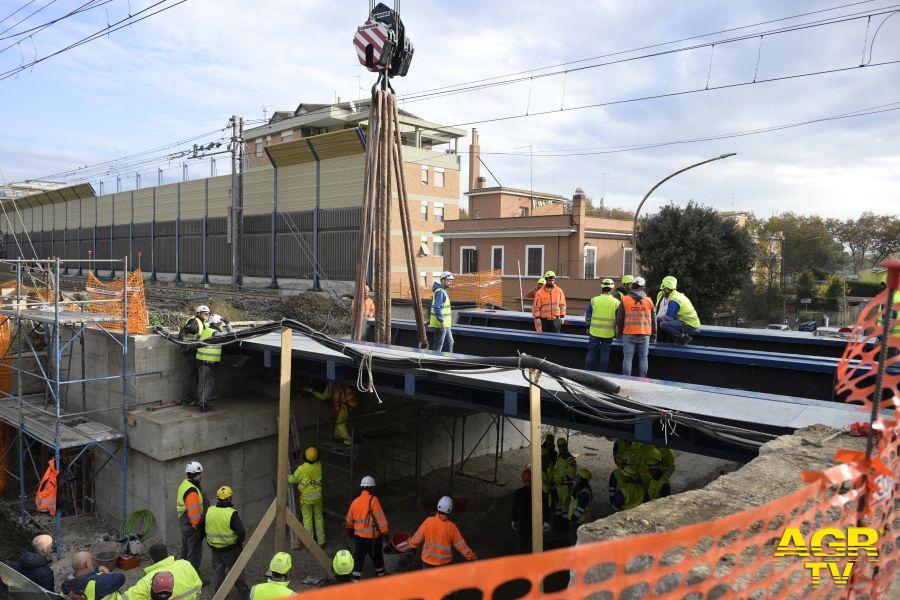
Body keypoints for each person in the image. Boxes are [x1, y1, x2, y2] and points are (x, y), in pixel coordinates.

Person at [204, 485, 247, 598]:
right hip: (230, 549)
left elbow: (202, 525)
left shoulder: (210, 510)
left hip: (214, 548)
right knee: (236, 571)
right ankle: (243, 593)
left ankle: (220, 594)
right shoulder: (231, 513)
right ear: (228, 499)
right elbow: (241, 532)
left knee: (219, 571)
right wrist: (238, 543)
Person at [409, 497, 476, 568]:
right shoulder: (451, 527)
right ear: (450, 509)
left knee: (427, 579)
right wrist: (471, 556)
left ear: (438, 506)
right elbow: (461, 545)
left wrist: (412, 546)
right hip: (444, 563)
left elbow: (418, 536)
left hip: (427, 561)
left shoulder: (428, 521)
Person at [344, 475, 389, 581]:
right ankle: (381, 578)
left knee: (358, 560)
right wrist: (385, 533)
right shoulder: (374, 500)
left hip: (359, 539)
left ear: (361, 487)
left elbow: (349, 521)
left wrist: (349, 530)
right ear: (372, 488)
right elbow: (381, 519)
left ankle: (355, 581)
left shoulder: (355, 502)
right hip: (373, 539)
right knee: (377, 558)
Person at [122, 543, 202, 600]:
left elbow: (126, 598)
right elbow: (198, 586)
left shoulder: (149, 580)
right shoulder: (185, 564)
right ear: (167, 554)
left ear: (151, 560)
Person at [616, 276, 656, 378]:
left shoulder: (625, 299)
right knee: (643, 359)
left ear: (633, 286)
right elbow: (653, 320)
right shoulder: (649, 301)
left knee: (628, 358)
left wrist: (619, 333)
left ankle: (626, 380)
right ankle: (642, 381)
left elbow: (620, 318)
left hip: (628, 334)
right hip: (644, 334)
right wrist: (654, 335)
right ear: (643, 287)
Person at [288, 446, 325, 547]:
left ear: (305, 456)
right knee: (319, 518)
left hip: (307, 499)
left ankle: (310, 543)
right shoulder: (319, 465)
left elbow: (293, 480)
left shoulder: (302, 468)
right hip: (318, 497)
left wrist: (288, 476)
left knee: (307, 520)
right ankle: (321, 541)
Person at [196, 313, 232, 412]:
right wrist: (228, 324)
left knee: (202, 384)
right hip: (207, 362)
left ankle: (201, 403)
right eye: (221, 324)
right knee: (209, 383)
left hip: (202, 360)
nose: (222, 326)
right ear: (216, 324)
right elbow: (231, 337)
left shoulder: (207, 330)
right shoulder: (215, 333)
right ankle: (203, 404)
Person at [176, 461, 207, 573]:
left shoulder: (185, 484)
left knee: (185, 549)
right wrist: (197, 528)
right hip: (191, 524)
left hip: (184, 522)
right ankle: (193, 579)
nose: (202, 475)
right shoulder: (192, 492)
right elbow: (193, 513)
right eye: (200, 473)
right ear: (195, 475)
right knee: (194, 553)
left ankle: (181, 573)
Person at [584, 279, 620, 372]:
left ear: (602, 287)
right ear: (612, 288)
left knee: (591, 353)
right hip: (608, 334)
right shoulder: (616, 302)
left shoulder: (594, 300)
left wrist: (588, 328)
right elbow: (619, 319)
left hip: (594, 332)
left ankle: (587, 372)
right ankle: (603, 374)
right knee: (605, 355)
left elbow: (588, 317)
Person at [511, 468, 549, 553]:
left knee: (523, 545)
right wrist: (546, 521)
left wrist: (514, 520)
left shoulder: (518, 492)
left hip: (522, 523)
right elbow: (545, 507)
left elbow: (515, 508)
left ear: (522, 479)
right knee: (536, 545)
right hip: (535, 522)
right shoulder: (539, 492)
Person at [61, 551, 126, 600]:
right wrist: (106, 575)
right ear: (87, 564)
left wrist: (97, 569)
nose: (92, 562)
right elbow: (121, 577)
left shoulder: (67, 582)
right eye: (91, 560)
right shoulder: (97, 581)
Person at [656, 276, 700, 346]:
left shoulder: (674, 300)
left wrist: (656, 319)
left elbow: (668, 318)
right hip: (689, 322)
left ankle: (683, 337)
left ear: (667, 289)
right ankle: (681, 337)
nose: (662, 291)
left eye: (663, 289)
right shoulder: (676, 295)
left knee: (663, 324)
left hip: (689, 325)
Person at [179, 305, 209, 405]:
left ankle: (192, 398)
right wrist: (182, 342)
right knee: (192, 376)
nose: (207, 315)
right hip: (190, 351)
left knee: (194, 376)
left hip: (194, 351)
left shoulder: (201, 322)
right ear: (199, 313)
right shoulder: (195, 322)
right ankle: (188, 398)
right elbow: (183, 331)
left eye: (208, 313)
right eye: (205, 313)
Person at [550, 437, 577, 525]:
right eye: (559, 446)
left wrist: (560, 480)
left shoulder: (570, 459)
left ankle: (564, 524)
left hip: (566, 486)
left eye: (562, 446)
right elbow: (558, 470)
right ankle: (558, 523)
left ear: (566, 446)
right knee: (558, 506)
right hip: (558, 486)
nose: (560, 447)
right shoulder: (560, 457)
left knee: (565, 507)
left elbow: (571, 475)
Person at [566, 469, 594, 544]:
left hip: (579, 522)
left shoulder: (584, 493)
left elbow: (580, 509)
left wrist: (573, 519)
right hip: (578, 521)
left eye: (578, 476)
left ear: (582, 479)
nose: (576, 477)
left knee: (575, 542)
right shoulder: (580, 489)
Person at [429, 272, 454, 353]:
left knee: (450, 343)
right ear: (442, 280)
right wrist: (441, 322)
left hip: (445, 324)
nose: (451, 282)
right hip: (441, 324)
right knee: (439, 345)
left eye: (451, 280)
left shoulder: (443, 291)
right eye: (449, 280)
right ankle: (434, 362)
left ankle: (448, 360)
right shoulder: (440, 292)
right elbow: (437, 307)